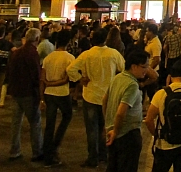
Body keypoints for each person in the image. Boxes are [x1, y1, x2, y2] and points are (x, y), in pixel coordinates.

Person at [67, 28, 126, 168]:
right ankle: (104, 155)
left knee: (92, 129)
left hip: (91, 95)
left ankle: (92, 157)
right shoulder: (113, 54)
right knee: (105, 127)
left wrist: (80, 79)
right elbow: (123, 69)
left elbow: (70, 69)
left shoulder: (86, 55)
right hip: (108, 95)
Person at [144, 59, 181, 172]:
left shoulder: (161, 94)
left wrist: (158, 135)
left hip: (164, 144)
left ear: (171, 75)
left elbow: (148, 119)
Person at [103, 50, 158, 172]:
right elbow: (121, 112)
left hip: (112, 132)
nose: (147, 70)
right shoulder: (132, 85)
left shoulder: (117, 78)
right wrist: (116, 131)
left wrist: (108, 124)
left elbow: (104, 100)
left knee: (113, 166)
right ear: (134, 66)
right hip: (128, 134)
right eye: (144, 66)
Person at [7, 28, 43, 161]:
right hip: (28, 92)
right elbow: (36, 75)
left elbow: (10, 71)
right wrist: (39, 94)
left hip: (16, 91)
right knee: (35, 123)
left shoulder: (17, 52)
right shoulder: (32, 53)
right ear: (37, 39)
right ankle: (37, 151)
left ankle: (14, 150)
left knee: (16, 122)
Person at [41, 29, 75, 168]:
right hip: (61, 92)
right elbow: (67, 79)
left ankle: (47, 152)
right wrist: (55, 83)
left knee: (50, 123)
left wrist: (47, 86)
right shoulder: (69, 58)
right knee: (67, 116)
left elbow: (42, 76)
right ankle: (55, 145)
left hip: (49, 93)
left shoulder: (48, 58)